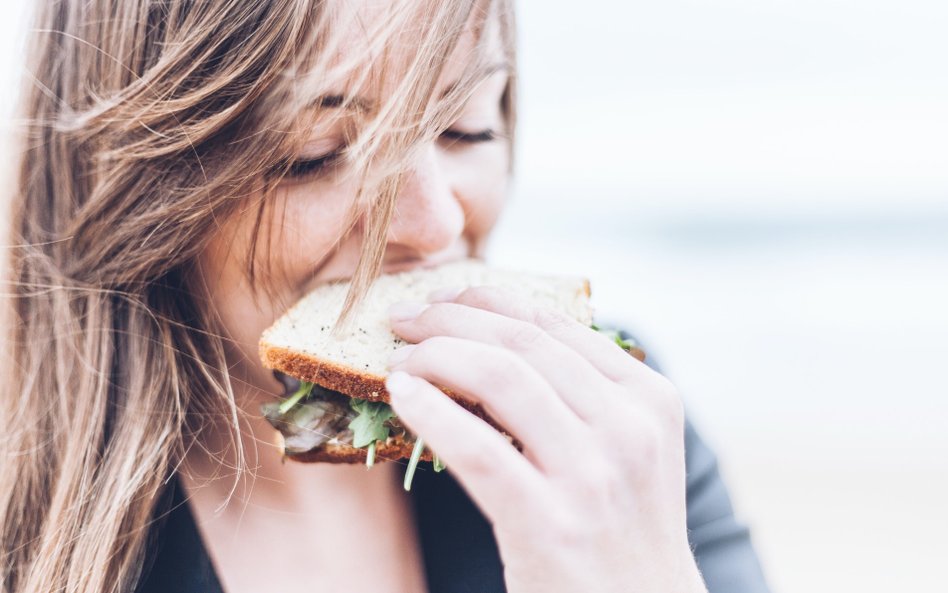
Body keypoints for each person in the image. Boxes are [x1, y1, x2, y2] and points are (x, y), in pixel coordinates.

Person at [0, 1, 770, 592]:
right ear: (137, 187)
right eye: (316, 156)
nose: (437, 224)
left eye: (467, 129)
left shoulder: (608, 430)